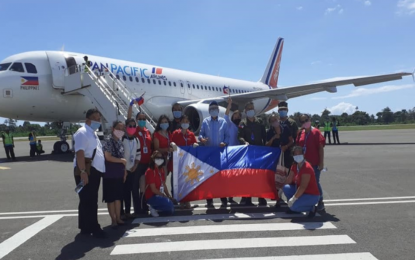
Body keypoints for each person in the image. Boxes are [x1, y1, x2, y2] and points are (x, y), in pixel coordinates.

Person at [73, 108, 106, 238]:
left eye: (99, 119)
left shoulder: (92, 133)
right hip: (87, 171)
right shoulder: (82, 132)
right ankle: (94, 227)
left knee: (88, 200)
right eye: (95, 119)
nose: (98, 121)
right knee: (89, 200)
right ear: (88, 120)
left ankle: (85, 227)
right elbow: (80, 153)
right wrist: (83, 172)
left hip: (93, 171)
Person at [199, 101, 229, 208]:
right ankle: (209, 200)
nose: (213, 110)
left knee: (221, 178)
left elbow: (227, 137)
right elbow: (201, 134)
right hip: (209, 154)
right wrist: (201, 139)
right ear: (209, 111)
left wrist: (224, 142)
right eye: (211, 109)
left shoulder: (223, 122)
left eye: (215, 108)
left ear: (218, 110)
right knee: (209, 177)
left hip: (220, 155)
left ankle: (223, 198)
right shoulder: (205, 122)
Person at [238, 101, 267, 206]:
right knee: (248, 176)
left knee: (260, 176)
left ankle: (261, 197)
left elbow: (264, 136)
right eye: (249, 109)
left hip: (259, 153)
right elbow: (239, 136)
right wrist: (244, 142)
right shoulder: (242, 123)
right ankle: (247, 197)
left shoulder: (260, 122)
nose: (251, 110)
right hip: (248, 153)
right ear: (245, 111)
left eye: (252, 108)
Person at [296, 114, 326, 211]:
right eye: (302, 121)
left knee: (315, 182)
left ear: (310, 120)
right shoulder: (300, 133)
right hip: (303, 164)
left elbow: (320, 148)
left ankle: (320, 201)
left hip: (314, 163)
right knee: (304, 183)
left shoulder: (316, 132)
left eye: (306, 120)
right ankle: (309, 201)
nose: (305, 122)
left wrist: (321, 163)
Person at [128, 103, 152, 215]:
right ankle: (137, 209)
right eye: (140, 119)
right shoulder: (134, 130)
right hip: (137, 163)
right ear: (137, 120)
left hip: (147, 163)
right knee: (135, 186)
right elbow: (127, 121)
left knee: (145, 186)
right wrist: (130, 107)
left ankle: (144, 205)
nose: (142, 120)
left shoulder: (148, 132)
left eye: (144, 119)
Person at [283, 146, 320, 218]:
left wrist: (293, 199)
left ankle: (312, 208)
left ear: (303, 155)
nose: (297, 156)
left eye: (299, 154)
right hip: (301, 192)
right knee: (286, 188)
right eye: (295, 154)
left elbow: (303, 187)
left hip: (311, 195)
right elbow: (289, 180)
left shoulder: (307, 167)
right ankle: (296, 205)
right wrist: (281, 189)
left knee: (293, 207)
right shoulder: (294, 166)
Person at [103, 121, 127, 227]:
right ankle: (113, 219)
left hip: (119, 173)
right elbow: (108, 157)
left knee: (118, 197)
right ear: (113, 129)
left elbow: (123, 159)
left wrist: (125, 171)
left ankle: (118, 217)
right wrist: (121, 161)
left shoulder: (120, 142)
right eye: (118, 128)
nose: (120, 131)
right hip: (110, 174)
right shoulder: (108, 141)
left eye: (122, 129)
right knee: (111, 199)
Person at [171, 115, 198, 209]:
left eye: (187, 121)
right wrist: (172, 144)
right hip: (178, 162)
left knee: (188, 181)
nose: (185, 123)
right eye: (183, 121)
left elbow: (195, 144)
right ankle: (180, 200)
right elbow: (171, 142)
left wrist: (195, 144)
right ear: (180, 123)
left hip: (188, 163)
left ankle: (187, 200)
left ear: (189, 123)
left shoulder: (191, 134)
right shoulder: (175, 133)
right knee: (179, 181)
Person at [121, 118, 141, 218]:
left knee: (129, 191)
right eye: (130, 126)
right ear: (126, 127)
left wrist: (135, 165)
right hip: (121, 170)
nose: (132, 128)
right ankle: (120, 213)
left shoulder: (136, 140)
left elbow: (138, 154)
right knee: (121, 192)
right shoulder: (122, 139)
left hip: (132, 169)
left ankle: (128, 211)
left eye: (134, 126)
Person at [144, 150, 175, 217]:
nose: (159, 159)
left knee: (171, 208)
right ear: (153, 159)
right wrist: (164, 196)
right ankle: (152, 207)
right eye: (157, 158)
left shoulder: (161, 170)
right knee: (169, 207)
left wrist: (169, 196)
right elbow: (153, 189)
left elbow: (163, 184)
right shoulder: (150, 171)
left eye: (161, 158)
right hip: (152, 196)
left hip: (159, 195)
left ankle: (158, 208)